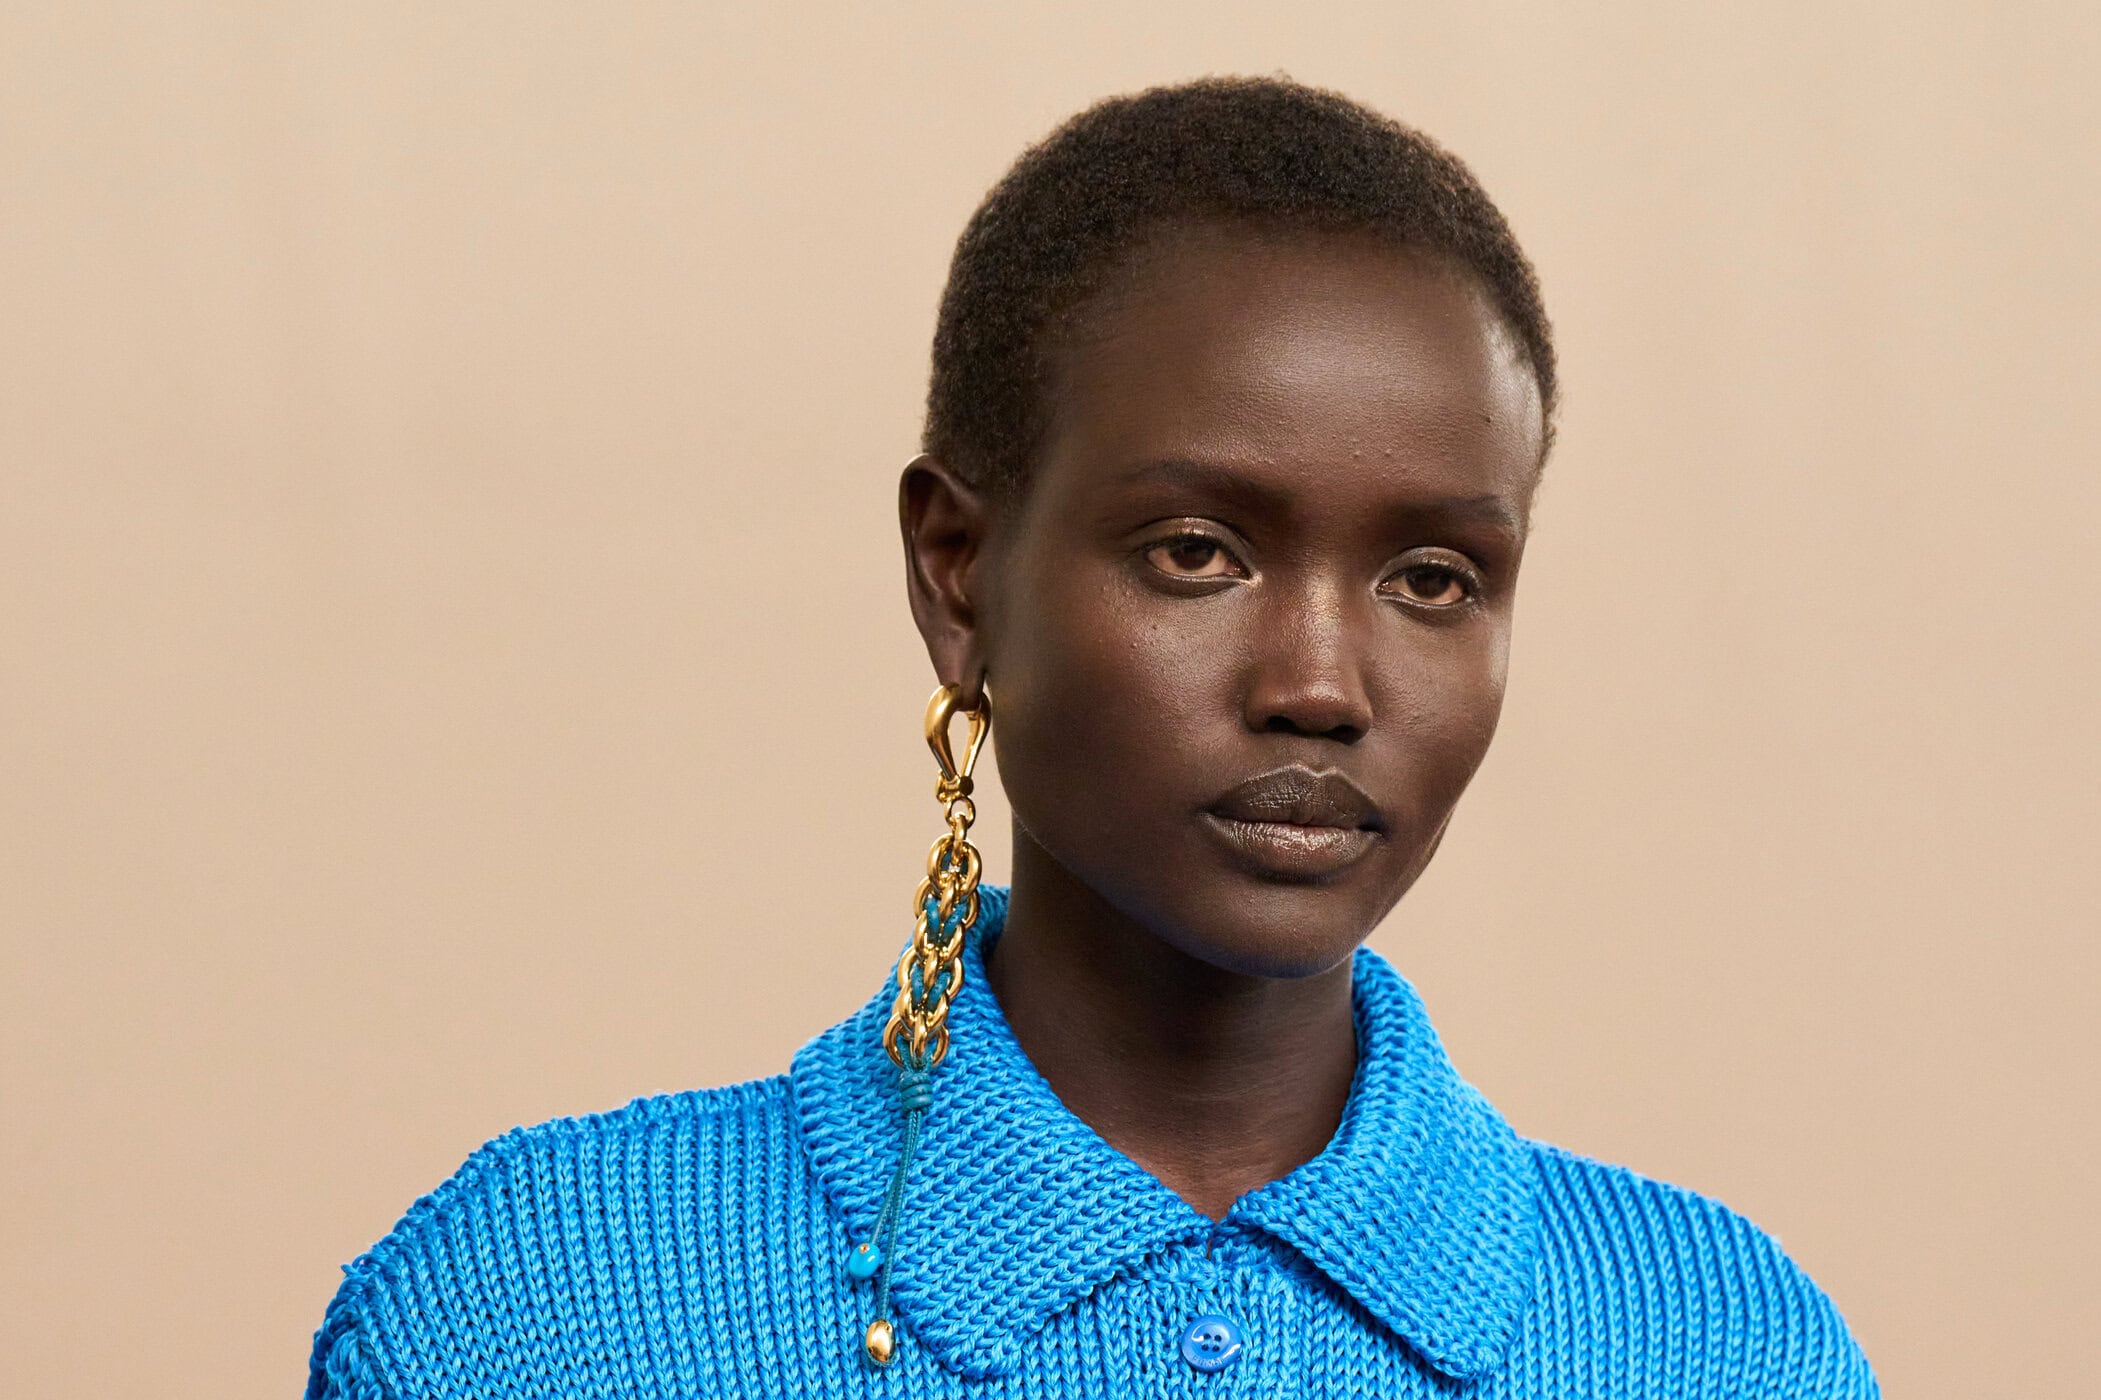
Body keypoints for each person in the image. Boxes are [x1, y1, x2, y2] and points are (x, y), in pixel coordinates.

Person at [305, 76, 1878, 1399]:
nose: (1320, 683)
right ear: (958, 573)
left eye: (1431, 578)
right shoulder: (527, 1312)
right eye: (1198, 552)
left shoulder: (1721, 1347)